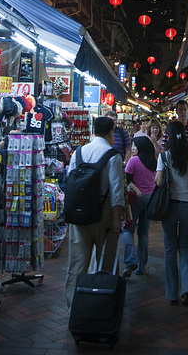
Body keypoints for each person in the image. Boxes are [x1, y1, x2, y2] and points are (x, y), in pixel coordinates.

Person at [64, 116, 125, 308]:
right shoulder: (113, 156)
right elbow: (117, 191)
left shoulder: (78, 153)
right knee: (106, 263)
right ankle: (103, 305)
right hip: (103, 213)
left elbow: (70, 183)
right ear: (110, 132)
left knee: (77, 263)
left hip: (79, 214)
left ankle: (74, 306)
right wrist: (117, 219)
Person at [156, 121, 188, 306]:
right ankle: (187, 288)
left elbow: (159, 182)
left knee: (170, 248)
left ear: (168, 137)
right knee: (185, 247)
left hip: (169, 207)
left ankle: (172, 293)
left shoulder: (164, 157)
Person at [122, 137, 157, 277]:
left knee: (128, 229)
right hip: (151, 198)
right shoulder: (153, 161)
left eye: (135, 146)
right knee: (143, 232)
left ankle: (130, 260)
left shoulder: (134, 161)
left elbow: (127, 180)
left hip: (136, 198)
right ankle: (141, 266)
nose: (134, 148)